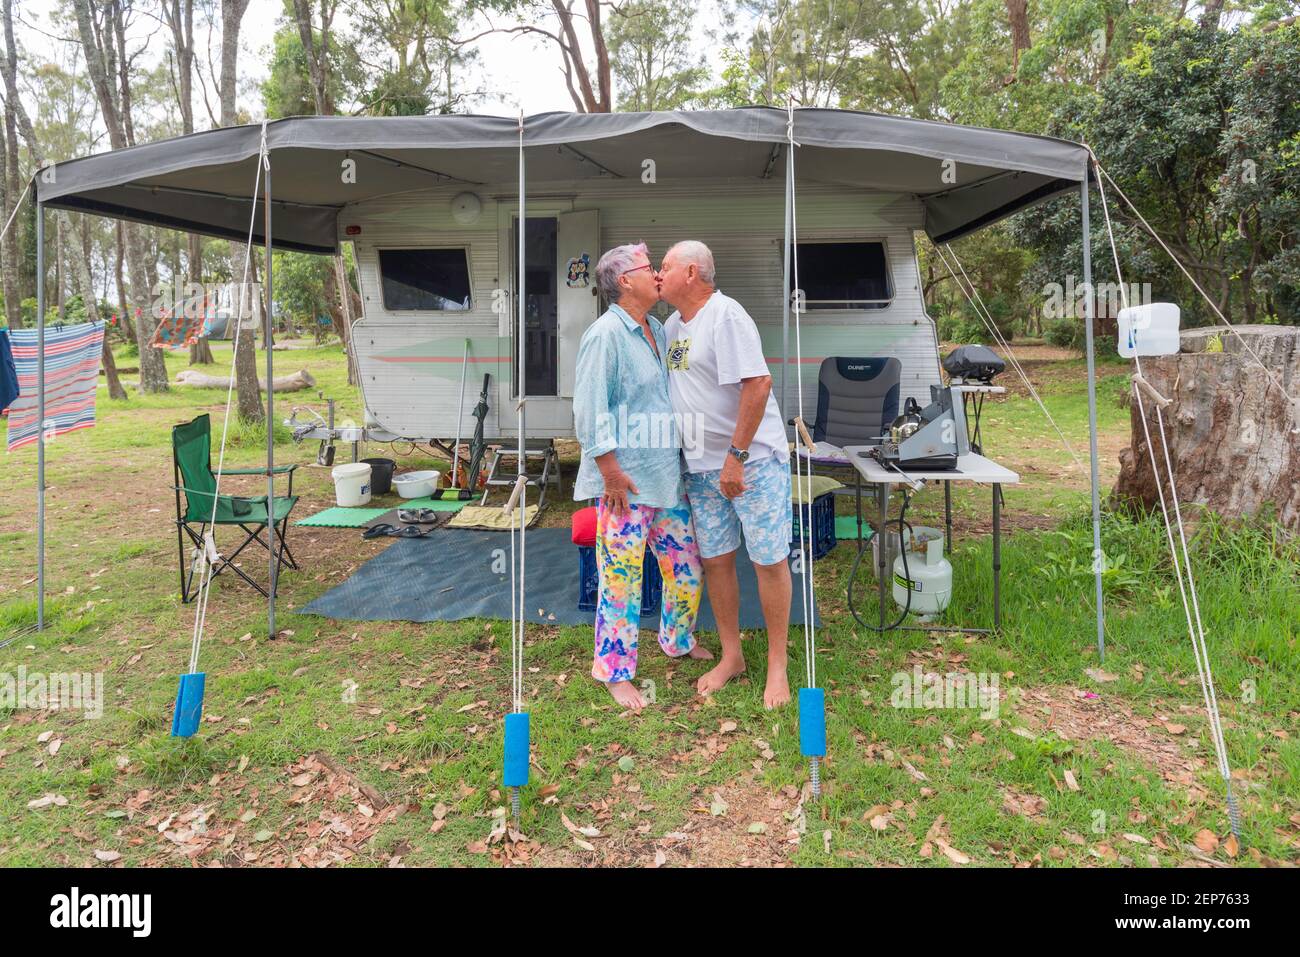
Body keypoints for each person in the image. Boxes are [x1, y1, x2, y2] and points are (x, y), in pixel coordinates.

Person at [571, 242, 713, 712]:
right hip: (624, 487)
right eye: (647, 267)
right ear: (623, 281)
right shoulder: (604, 335)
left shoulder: (654, 327)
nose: (657, 274)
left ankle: (676, 639)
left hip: (665, 478)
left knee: (687, 568)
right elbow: (589, 412)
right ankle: (614, 671)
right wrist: (609, 472)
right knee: (622, 579)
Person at [657, 240, 793, 709]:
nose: (659, 274)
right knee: (716, 559)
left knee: (768, 560)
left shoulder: (726, 315)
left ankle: (778, 665)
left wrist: (736, 455)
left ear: (691, 272)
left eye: (665, 266)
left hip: (750, 462)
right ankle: (732, 655)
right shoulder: (674, 325)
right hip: (701, 468)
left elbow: (757, 385)